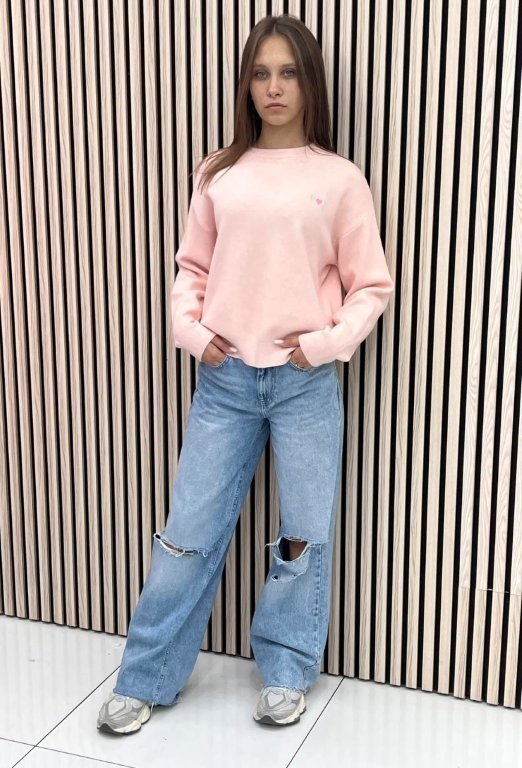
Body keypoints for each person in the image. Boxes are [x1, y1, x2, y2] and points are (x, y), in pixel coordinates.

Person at [97, 13, 394, 735]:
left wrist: (324, 345)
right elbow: (190, 269)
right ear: (246, 85)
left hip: (303, 385)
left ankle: (287, 672)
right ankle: (146, 677)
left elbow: (371, 286)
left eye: (288, 72)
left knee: (302, 537)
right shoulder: (218, 172)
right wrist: (193, 335)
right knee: (186, 533)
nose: (274, 87)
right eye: (261, 73)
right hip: (225, 384)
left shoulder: (339, 179)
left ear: (310, 82)